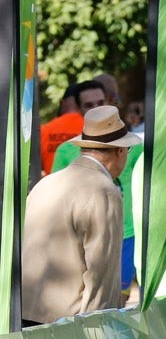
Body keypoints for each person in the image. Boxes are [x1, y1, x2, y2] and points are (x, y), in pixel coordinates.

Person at [20, 105, 138, 325]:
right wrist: (99, 330)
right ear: (119, 151)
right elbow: (102, 274)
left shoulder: (45, 183)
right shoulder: (104, 190)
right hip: (69, 326)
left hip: (23, 314)